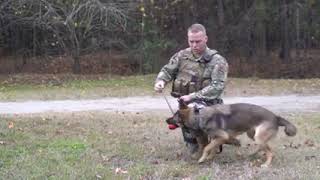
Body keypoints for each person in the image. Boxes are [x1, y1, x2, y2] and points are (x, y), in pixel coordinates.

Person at [154, 23, 229, 155]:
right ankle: (194, 141)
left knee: (199, 120)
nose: (194, 45)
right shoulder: (182, 56)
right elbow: (167, 70)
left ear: (206, 39)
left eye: (198, 41)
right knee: (192, 146)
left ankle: (215, 139)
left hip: (209, 105)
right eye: (191, 41)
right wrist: (161, 81)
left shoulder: (217, 61)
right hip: (186, 104)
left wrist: (192, 96)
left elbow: (217, 87)